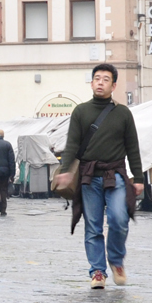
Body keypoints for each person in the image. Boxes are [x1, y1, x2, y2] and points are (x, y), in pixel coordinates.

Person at [58, 63, 144, 289]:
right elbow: (72, 145)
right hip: (88, 177)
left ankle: (116, 261)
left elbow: (133, 147)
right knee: (93, 226)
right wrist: (66, 171)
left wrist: (139, 178)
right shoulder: (81, 111)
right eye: (97, 78)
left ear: (113, 85)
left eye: (106, 79)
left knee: (119, 219)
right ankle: (97, 271)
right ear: (91, 82)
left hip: (115, 175)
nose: (100, 82)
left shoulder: (123, 113)